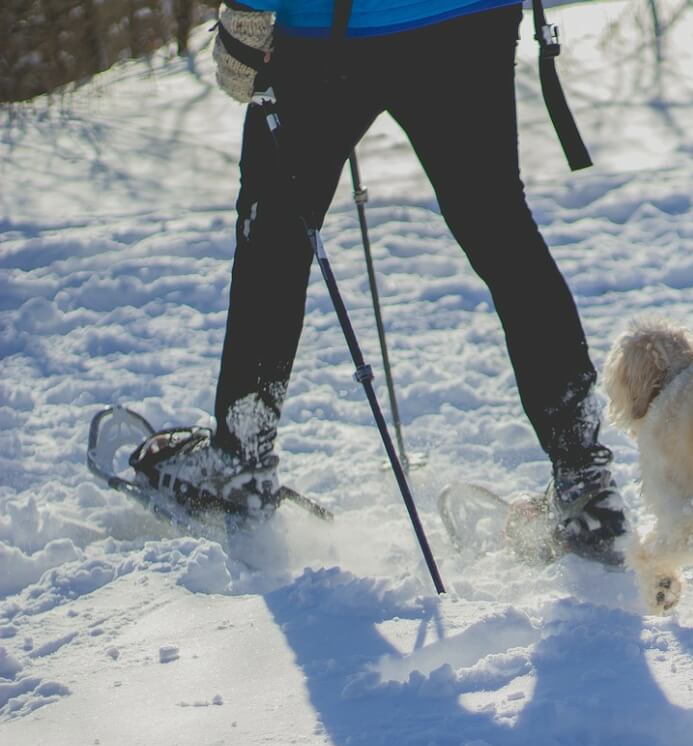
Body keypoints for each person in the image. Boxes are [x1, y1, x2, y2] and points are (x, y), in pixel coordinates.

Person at [133, 0, 626, 562]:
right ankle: (584, 481)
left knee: (275, 240)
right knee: (500, 230)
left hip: (328, 33)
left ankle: (238, 462)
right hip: (465, 22)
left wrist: (247, 13)